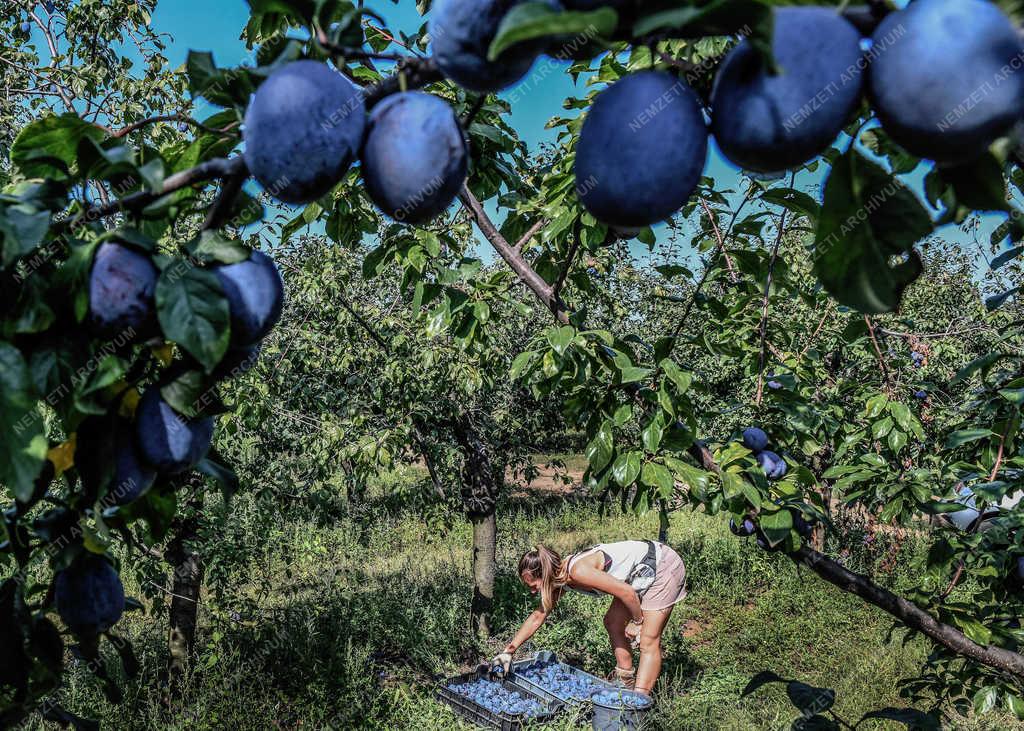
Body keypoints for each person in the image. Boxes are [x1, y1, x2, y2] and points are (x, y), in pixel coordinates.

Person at [491, 540, 686, 695]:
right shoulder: (560, 579)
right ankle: (625, 681)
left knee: (648, 640)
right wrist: (509, 651)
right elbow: (537, 616)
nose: (533, 592)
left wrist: (638, 623)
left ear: (546, 574)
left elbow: (627, 593)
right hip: (636, 577)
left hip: (660, 565)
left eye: (534, 586)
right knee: (613, 622)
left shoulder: (578, 572)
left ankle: (637, 704)